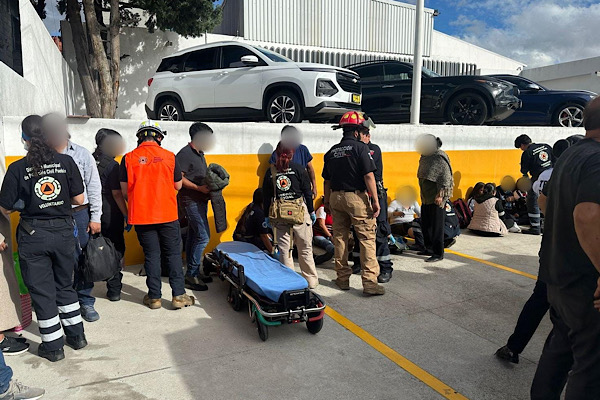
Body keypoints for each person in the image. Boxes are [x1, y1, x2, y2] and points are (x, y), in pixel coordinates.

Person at [0, 115, 87, 362]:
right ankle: (77, 336)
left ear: (24, 138)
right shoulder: (66, 161)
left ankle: (53, 346)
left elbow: (4, 207)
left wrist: (25, 202)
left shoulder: (17, 168)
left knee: (42, 292)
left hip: (33, 235)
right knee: (65, 286)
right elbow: (79, 199)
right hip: (63, 232)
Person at [529, 97, 600, 399]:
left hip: (558, 275)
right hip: (586, 283)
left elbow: (544, 201)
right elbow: (587, 216)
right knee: (591, 365)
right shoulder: (597, 159)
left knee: (559, 351)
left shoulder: (571, 154)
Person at [495, 135, 585, 365]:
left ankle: (514, 348)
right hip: (578, 253)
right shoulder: (587, 177)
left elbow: (542, 201)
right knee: (570, 311)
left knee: (540, 300)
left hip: (553, 248)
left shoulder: (549, 176)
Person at [120, 121, 195, 310]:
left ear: (139, 137)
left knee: (151, 255)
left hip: (142, 216)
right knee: (173, 254)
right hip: (167, 214)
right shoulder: (170, 157)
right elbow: (178, 185)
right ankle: (179, 295)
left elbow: (124, 192)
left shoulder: (128, 159)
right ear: (159, 137)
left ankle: (154, 298)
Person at [43, 114, 103, 322]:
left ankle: (85, 300)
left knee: (82, 259)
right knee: (55, 260)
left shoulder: (81, 154)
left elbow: (93, 186)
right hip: (50, 216)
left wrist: (95, 217)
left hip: (79, 215)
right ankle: (60, 302)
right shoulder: (41, 156)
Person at [323, 111, 384, 296]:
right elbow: (369, 176)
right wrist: (375, 200)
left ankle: (342, 279)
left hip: (335, 197)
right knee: (366, 239)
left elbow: (327, 180)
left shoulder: (332, 151)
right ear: (357, 132)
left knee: (340, 238)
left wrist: (327, 201)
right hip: (356, 198)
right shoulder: (361, 148)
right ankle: (370, 283)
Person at [263, 143, 319, 288]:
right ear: (292, 154)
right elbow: (307, 192)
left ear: (276, 153)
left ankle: (291, 283)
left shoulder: (270, 172)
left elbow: (266, 196)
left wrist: (266, 216)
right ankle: (311, 281)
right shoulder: (299, 169)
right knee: (305, 249)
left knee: (285, 251)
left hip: (279, 215)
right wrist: (312, 211)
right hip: (299, 213)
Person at [176, 122, 215, 292]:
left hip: (200, 201)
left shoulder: (199, 154)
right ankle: (191, 274)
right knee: (203, 236)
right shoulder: (185, 154)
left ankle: (194, 271)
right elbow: (178, 178)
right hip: (190, 201)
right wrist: (198, 188)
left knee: (194, 236)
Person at [92, 129, 128, 302]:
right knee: (114, 248)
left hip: (90, 212)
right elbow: (116, 193)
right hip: (109, 212)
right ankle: (114, 289)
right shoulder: (113, 165)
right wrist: (127, 214)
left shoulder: (89, 159)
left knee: (92, 248)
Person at [359, 129, 393, 283]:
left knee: (380, 230)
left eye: (361, 135)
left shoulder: (373, 149)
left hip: (376, 194)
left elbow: (370, 173)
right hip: (360, 195)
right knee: (359, 230)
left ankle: (385, 268)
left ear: (368, 136)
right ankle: (358, 263)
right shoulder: (356, 149)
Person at [416, 134, 453, 263]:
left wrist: (440, 195)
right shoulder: (424, 157)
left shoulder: (439, 157)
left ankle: (438, 253)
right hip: (426, 197)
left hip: (436, 198)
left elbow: (445, 178)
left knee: (437, 227)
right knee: (426, 225)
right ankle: (429, 248)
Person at [514, 134, 553, 235]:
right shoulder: (546, 146)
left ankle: (535, 227)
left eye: (520, 147)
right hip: (552, 175)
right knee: (551, 201)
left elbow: (524, 171)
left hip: (538, 178)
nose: (521, 149)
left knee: (532, 200)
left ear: (522, 145)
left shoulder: (527, 153)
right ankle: (549, 226)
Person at [269, 125, 318, 198]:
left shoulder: (303, 150)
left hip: (301, 191)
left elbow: (310, 169)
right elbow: (272, 175)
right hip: (284, 192)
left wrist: (314, 186)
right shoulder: (276, 153)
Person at [233, 188, 273, 253]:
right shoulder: (259, 213)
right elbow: (263, 236)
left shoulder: (251, 207)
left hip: (240, 238)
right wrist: (272, 252)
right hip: (248, 242)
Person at [312, 199, 335, 265]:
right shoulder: (322, 209)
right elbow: (321, 225)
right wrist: (330, 236)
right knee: (331, 248)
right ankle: (317, 260)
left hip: (331, 235)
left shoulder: (334, 211)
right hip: (319, 235)